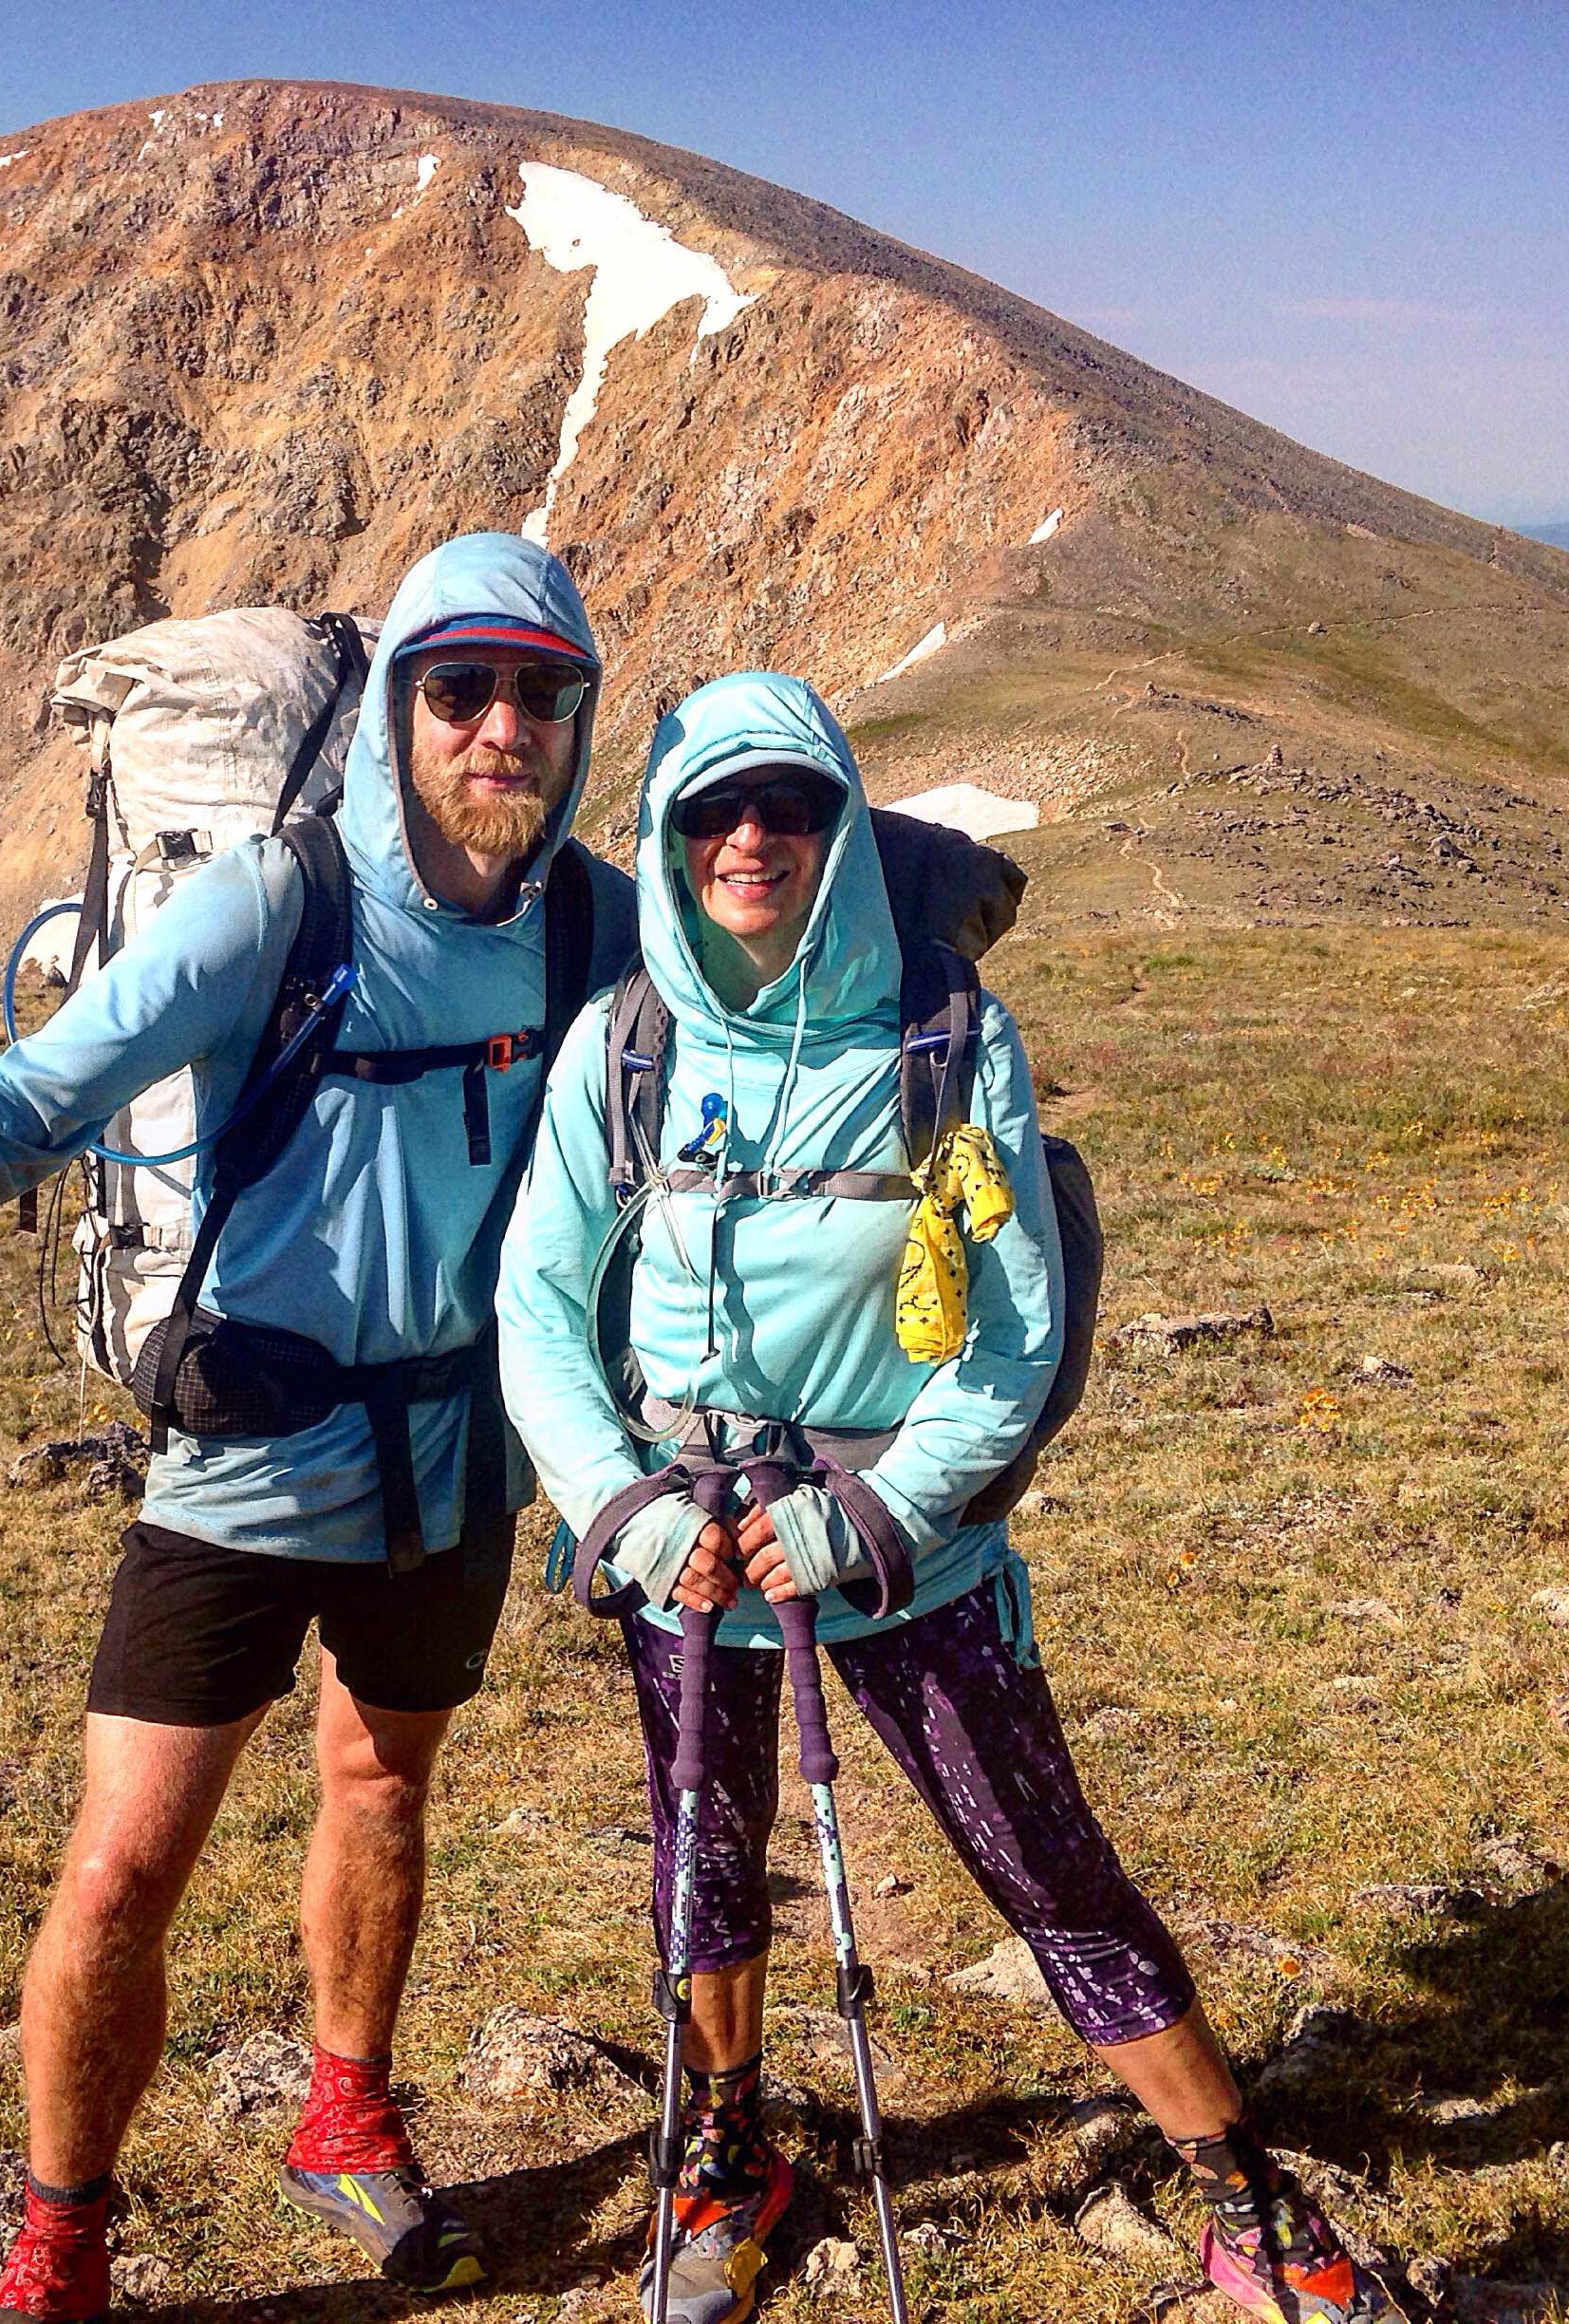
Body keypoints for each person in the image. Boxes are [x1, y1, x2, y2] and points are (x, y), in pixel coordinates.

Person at [0, 533, 637, 2321]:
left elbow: (781, 973)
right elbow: (37, 1092)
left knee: (381, 1781)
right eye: (458, 689)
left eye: (538, 694)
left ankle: (343, 2116)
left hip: (461, 1463)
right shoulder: (275, 902)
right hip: (243, 1454)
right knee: (118, 1873)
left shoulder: (596, 925)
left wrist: (928, 922)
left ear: (578, 721)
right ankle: (63, 2239)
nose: (499, 729)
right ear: (402, 706)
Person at [495, 672, 1402, 2324]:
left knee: (1044, 1865)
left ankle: (1238, 2193)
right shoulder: (619, 1045)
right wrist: (625, 1512)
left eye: (785, 805)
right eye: (710, 811)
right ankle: (727, 2157)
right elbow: (542, 1307)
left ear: (842, 823)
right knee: (705, 1855)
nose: (748, 837)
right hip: (685, 1548)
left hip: (910, 1549)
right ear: (666, 834)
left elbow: (1016, 1335)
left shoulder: (947, 1036)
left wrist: (869, 1516)